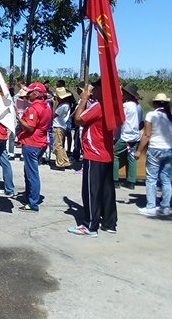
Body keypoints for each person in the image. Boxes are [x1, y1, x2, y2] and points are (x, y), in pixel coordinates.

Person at [67, 81, 117, 237]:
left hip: (94, 153)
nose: (92, 91)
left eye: (95, 88)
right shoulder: (111, 106)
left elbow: (78, 119)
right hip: (106, 153)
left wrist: (83, 99)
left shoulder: (99, 106)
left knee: (91, 191)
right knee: (107, 191)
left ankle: (90, 225)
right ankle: (109, 223)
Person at [136, 93, 172, 217]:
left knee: (151, 179)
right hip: (171, 149)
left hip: (156, 149)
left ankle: (151, 206)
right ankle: (165, 206)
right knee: (166, 179)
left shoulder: (151, 115)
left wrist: (139, 150)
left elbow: (147, 135)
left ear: (155, 104)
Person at [16, 82, 52, 212]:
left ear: (36, 93)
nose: (28, 95)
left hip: (32, 142)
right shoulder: (47, 106)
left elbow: (30, 127)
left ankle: (33, 202)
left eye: (30, 93)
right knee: (30, 171)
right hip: (40, 141)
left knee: (31, 173)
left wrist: (18, 118)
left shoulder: (34, 108)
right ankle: (29, 196)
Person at [113, 83, 143, 190]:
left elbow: (118, 118)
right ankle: (131, 181)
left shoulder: (126, 106)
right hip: (135, 136)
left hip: (125, 135)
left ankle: (115, 180)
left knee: (115, 156)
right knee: (132, 158)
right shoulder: (139, 107)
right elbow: (141, 123)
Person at [52, 87, 73, 169]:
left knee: (58, 146)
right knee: (60, 145)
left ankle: (60, 163)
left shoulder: (63, 105)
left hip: (58, 126)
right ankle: (65, 161)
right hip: (61, 126)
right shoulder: (65, 104)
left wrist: (54, 104)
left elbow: (53, 115)